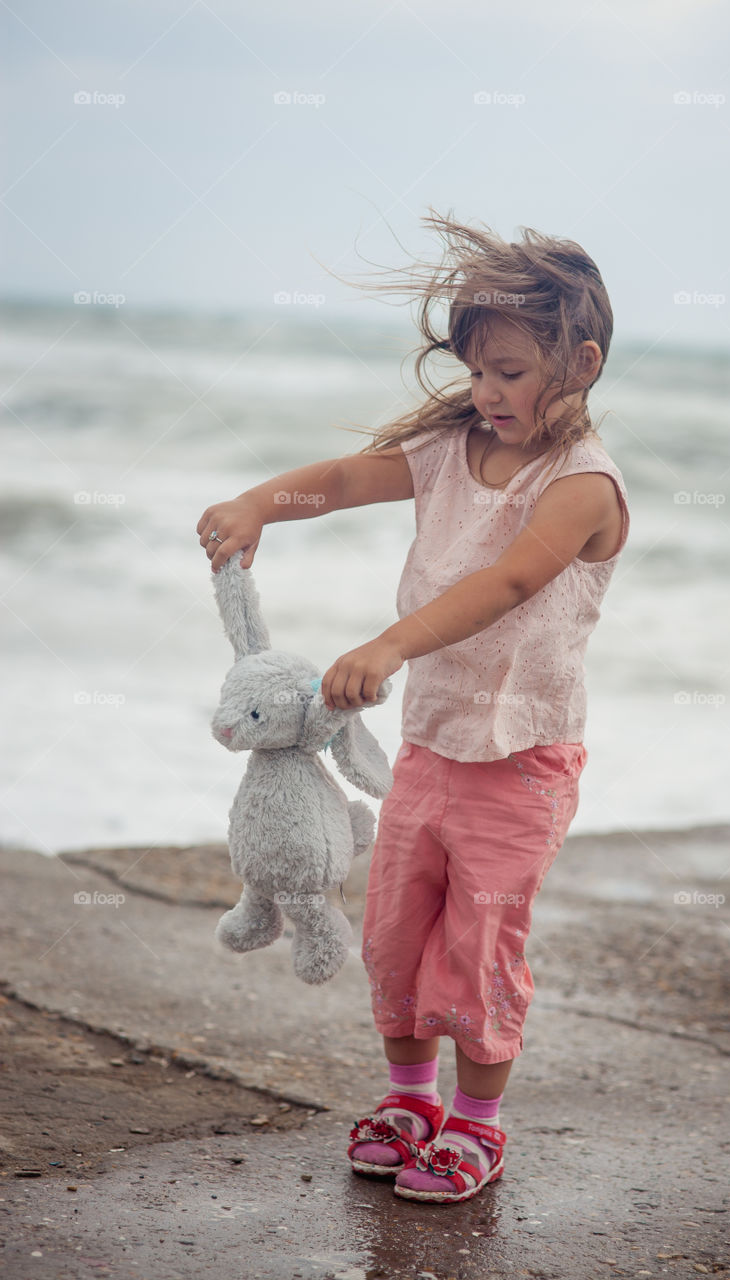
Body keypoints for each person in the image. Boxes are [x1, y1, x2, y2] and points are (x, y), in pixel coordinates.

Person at [197, 213, 630, 1205]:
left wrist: (388, 643)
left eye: (511, 371)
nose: (487, 392)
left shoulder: (583, 483)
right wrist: (262, 501)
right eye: (477, 369)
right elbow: (350, 477)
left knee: (477, 947)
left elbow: (512, 579)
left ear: (581, 361)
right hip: (431, 746)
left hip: (521, 762)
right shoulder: (452, 446)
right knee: (395, 930)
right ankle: (408, 1101)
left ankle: (477, 1122)